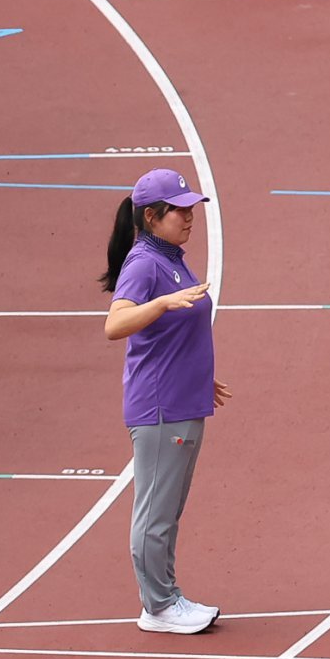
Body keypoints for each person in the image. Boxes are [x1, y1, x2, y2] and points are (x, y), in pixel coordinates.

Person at [101, 168, 231, 634]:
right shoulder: (145, 264)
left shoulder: (172, 258)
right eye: (180, 209)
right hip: (160, 407)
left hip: (183, 398)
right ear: (152, 217)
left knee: (167, 508)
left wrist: (200, 377)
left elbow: (176, 332)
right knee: (155, 511)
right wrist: (161, 304)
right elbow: (115, 325)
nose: (190, 216)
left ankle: (167, 597)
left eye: (192, 207)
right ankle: (158, 606)